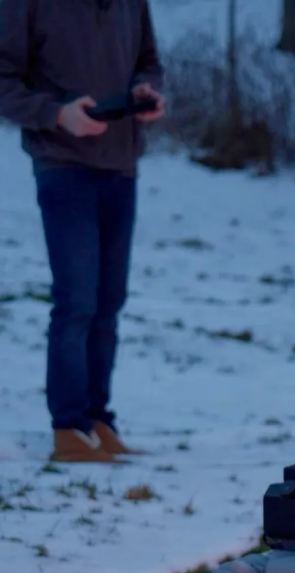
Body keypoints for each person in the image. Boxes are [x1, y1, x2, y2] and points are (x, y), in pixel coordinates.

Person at [0, 0, 166, 463]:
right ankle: (68, 427)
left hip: (121, 164)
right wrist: (56, 114)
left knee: (109, 302)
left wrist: (145, 91)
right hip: (63, 165)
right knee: (77, 301)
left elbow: (148, 61)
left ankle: (96, 418)